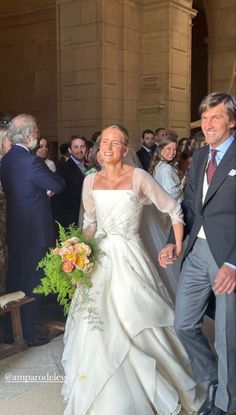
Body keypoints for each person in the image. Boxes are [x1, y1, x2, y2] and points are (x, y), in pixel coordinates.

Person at [61, 123, 206, 415]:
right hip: (99, 258)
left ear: (126, 149)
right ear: (98, 150)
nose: (108, 147)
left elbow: (173, 209)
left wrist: (176, 245)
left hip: (130, 256)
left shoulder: (138, 176)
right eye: (104, 142)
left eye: (115, 143)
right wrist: (75, 252)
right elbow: (90, 223)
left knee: (137, 316)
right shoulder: (90, 182)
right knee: (95, 325)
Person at [159, 92, 236, 415]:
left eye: (215, 118)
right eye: (204, 119)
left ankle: (224, 403)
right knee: (184, 324)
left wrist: (234, 263)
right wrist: (173, 241)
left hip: (229, 256)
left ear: (231, 121)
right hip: (196, 251)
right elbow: (189, 205)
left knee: (226, 335)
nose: (208, 125)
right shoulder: (201, 156)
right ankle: (215, 377)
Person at [0, 113, 65, 346]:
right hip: (35, 232)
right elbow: (58, 184)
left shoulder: (5, 161)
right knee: (34, 282)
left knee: (16, 280)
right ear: (28, 135)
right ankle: (27, 334)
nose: (38, 136)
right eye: (37, 132)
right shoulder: (32, 161)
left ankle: (11, 331)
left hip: (15, 231)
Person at [51, 135, 86, 230]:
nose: (80, 150)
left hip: (86, 216)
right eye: (76, 147)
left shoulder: (88, 167)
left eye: (82, 147)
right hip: (70, 219)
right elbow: (56, 195)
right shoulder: (63, 168)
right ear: (70, 150)